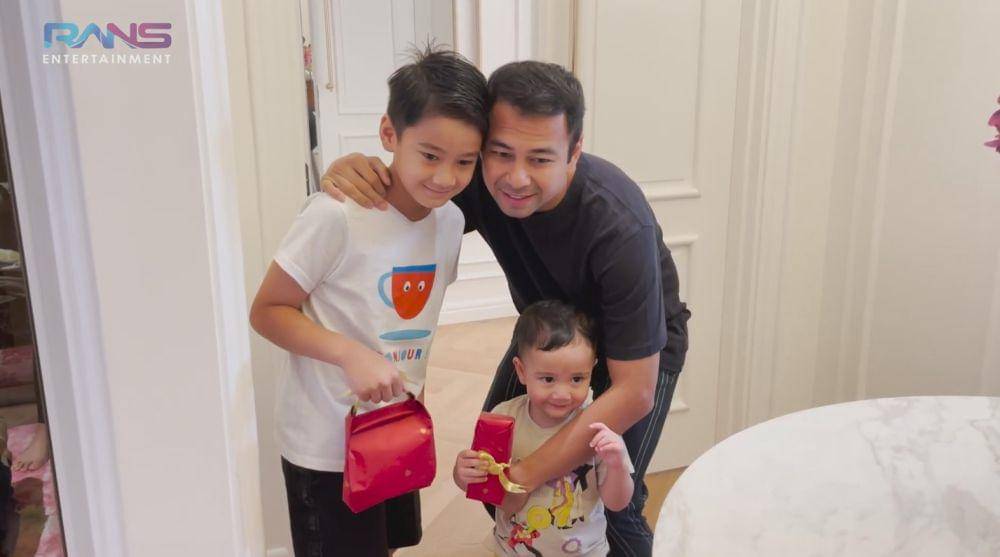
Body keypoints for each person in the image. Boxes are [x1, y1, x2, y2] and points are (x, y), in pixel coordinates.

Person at [323, 59, 690, 556]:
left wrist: (529, 473)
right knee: (490, 469)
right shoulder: (477, 180)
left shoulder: (619, 225)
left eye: (540, 158)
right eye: (500, 153)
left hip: (634, 354)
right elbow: (406, 201)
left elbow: (635, 391)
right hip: (545, 336)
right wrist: (355, 172)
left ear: (574, 151)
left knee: (608, 504)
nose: (516, 178)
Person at [249, 48, 488, 557]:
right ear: (388, 134)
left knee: (386, 544)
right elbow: (267, 311)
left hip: (395, 428)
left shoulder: (450, 222)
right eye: (429, 155)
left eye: (464, 162)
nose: (446, 177)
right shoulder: (336, 215)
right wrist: (349, 354)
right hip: (328, 447)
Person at [454, 301, 634, 557]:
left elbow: (617, 502)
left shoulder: (597, 424)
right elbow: (482, 483)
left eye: (577, 379)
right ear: (521, 371)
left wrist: (617, 465)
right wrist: (463, 473)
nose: (562, 393)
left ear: (591, 370)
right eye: (548, 379)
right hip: (513, 551)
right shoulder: (503, 418)